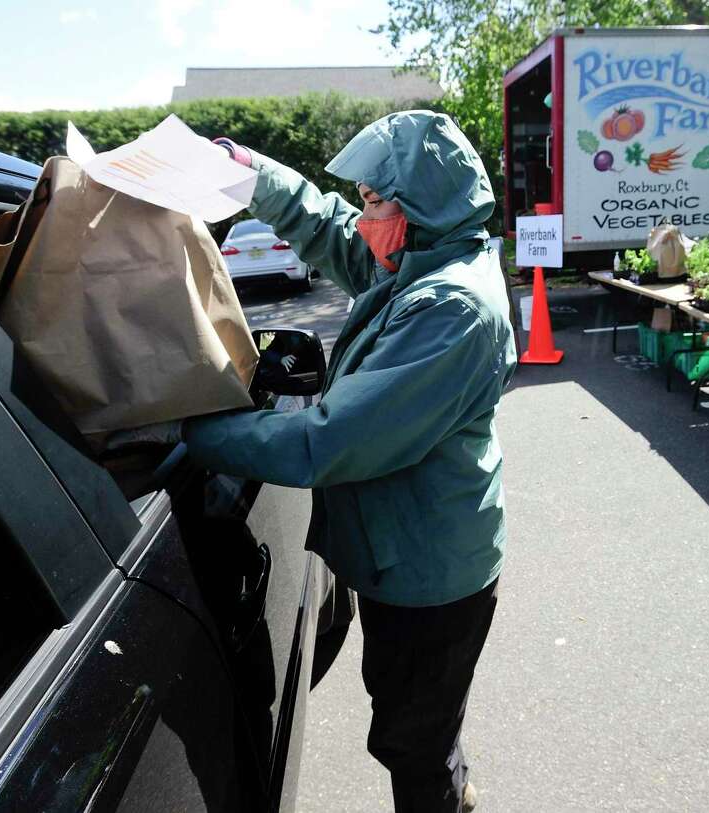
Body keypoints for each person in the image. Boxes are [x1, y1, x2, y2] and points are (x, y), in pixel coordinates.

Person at [122, 111, 515, 812]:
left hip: (431, 575)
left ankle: (446, 796)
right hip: (411, 549)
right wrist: (248, 170)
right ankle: (447, 776)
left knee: (411, 741)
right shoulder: (419, 260)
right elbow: (324, 225)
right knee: (418, 714)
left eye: (374, 203)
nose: (361, 220)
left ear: (418, 207)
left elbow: (325, 443)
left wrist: (183, 425)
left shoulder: (450, 308)